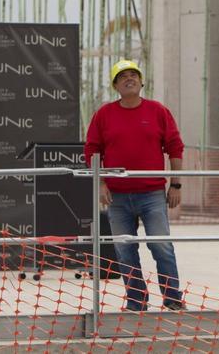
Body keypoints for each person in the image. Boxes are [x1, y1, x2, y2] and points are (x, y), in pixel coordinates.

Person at [84, 59, 186, 311]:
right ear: (116, 85)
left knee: (161, 245)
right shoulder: (104, 115)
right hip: (117, 197)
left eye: (133, 75)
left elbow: (175, 146)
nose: (129, 79)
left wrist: (176, 184)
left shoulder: (158, 111)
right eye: (122, 76)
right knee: (124, 249)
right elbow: (92, 150)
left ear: (141, 82)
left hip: (151, 193)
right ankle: (136, 300)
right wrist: (100, 184)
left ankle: (173, 298)